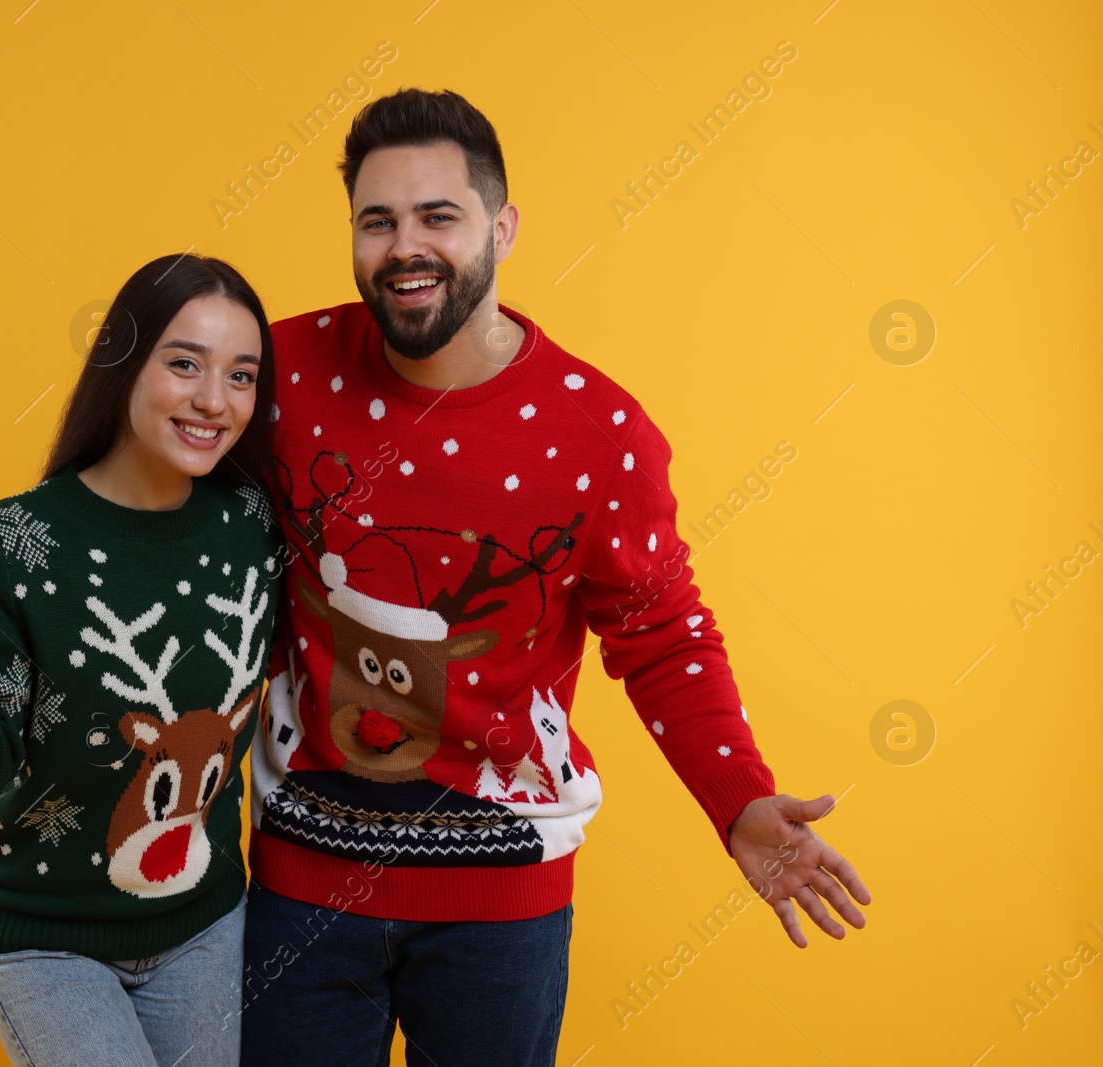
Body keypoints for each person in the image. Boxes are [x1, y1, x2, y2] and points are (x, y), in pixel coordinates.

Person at [241, 88, 872, 1066]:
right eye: (377, 221)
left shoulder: (601, 433)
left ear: (502, 227)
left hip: (501, 903)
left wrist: (739, 800)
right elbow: (160, 485)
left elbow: (661, 636)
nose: (404, 244)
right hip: (301, 890)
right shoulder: (275, 372)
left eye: (437, 216)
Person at [0, 253, 284, 1067]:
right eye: (184, 364)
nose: (213, 400)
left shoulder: (252, 521)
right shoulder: (22, 540)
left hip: (202, 924)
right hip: (48, 939)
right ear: (123, 364)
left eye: (242, 375)